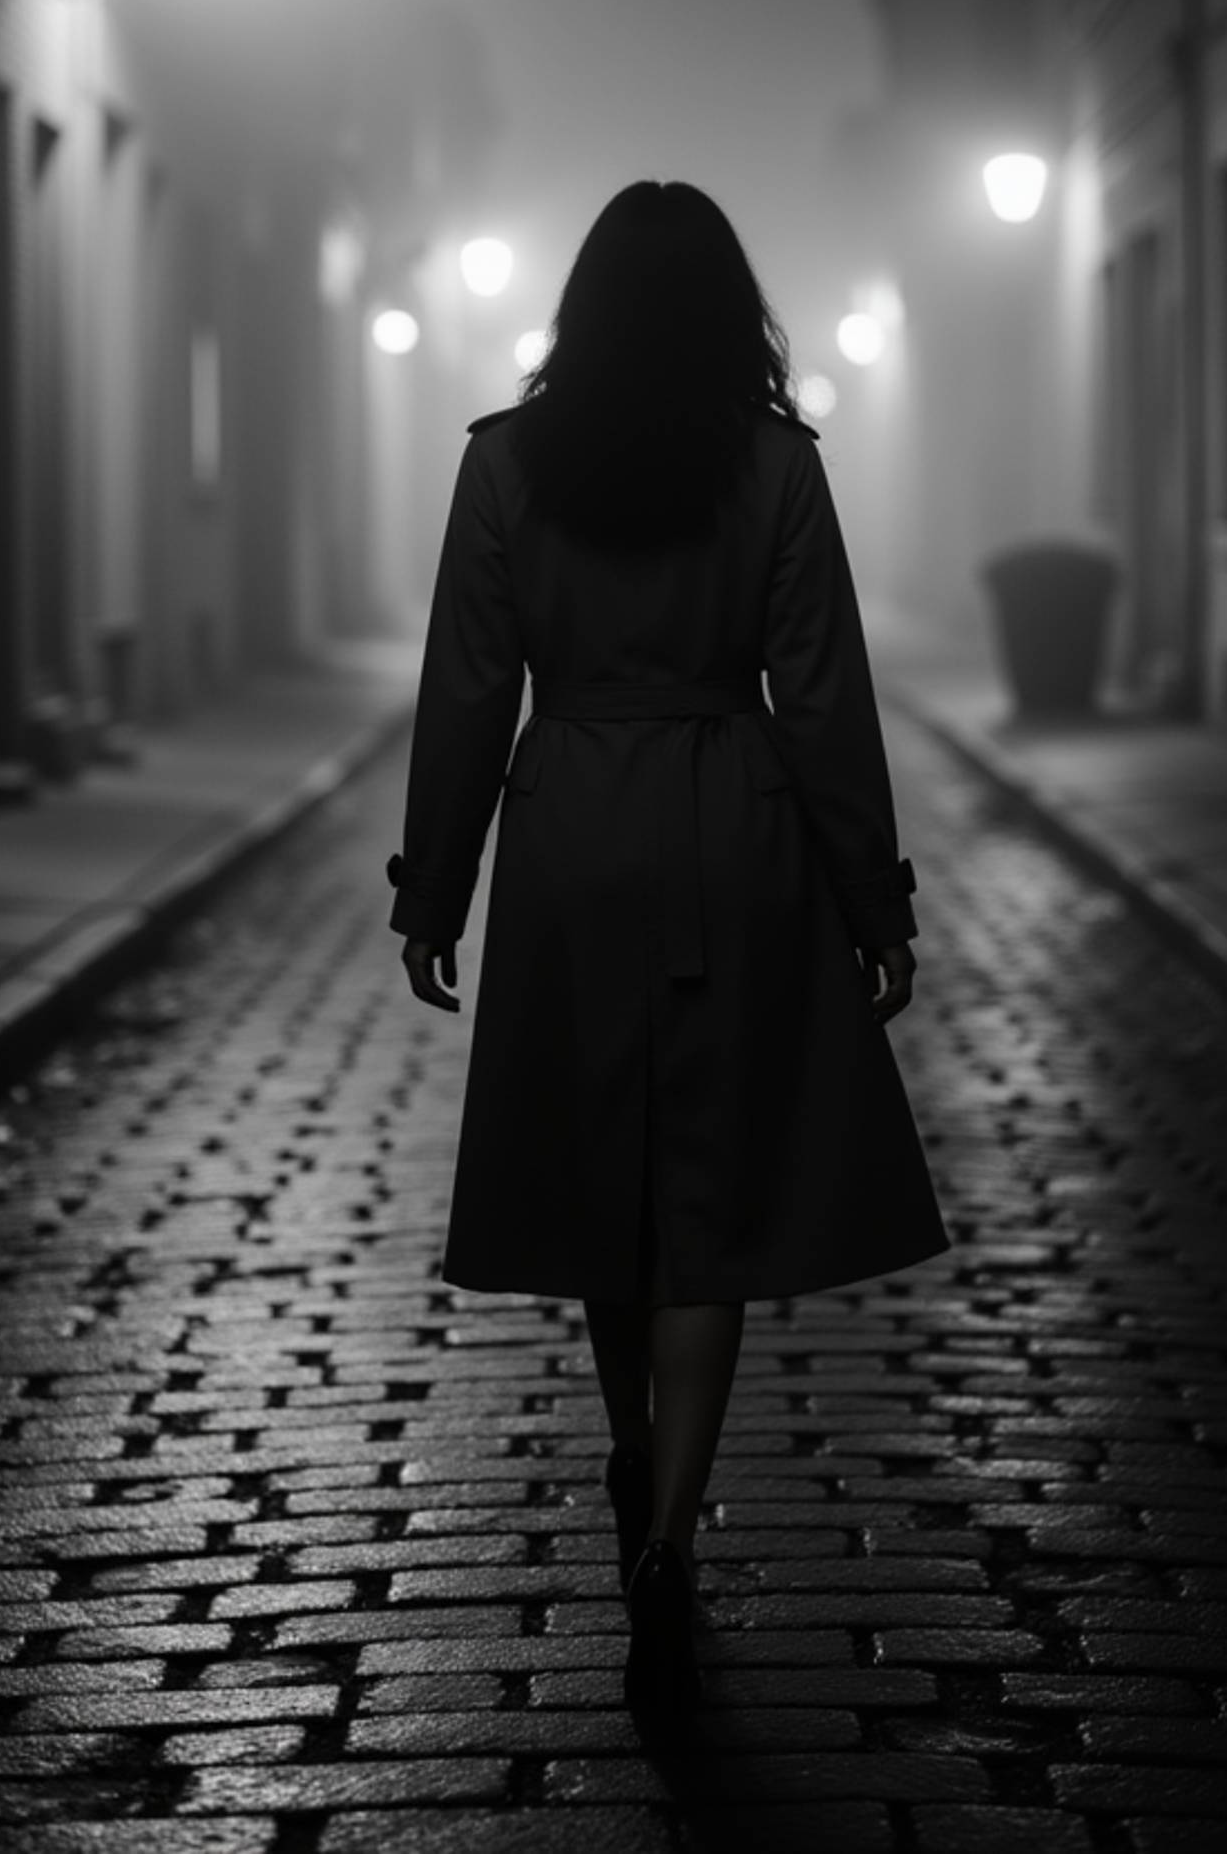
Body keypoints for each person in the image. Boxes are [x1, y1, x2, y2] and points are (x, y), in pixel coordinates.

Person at [387, 178, 947, 1725]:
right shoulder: (773, 468)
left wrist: (434, 888)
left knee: (605, 1178)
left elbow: (464, 691)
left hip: (570, 834)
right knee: (710, 1191)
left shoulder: (506, 466)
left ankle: (634, 1447)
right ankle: (671, 1533)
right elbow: (824, 697)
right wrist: (874, 902)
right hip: (731, 825)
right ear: (728, 309)